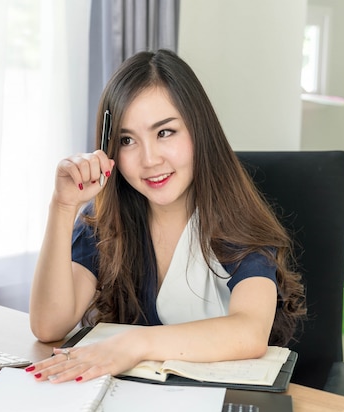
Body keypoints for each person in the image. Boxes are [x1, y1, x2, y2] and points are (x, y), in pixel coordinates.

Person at [27, 49, 306, 384]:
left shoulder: (233, 219)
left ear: (198, 130)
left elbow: (249, 332)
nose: (149, 160)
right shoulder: (105, 219)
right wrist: (62, 206)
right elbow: (48, 325)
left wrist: (136, 343)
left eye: (165, 132)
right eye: (127, 140)